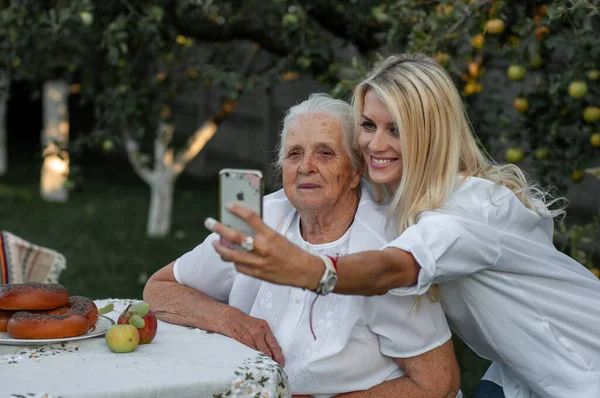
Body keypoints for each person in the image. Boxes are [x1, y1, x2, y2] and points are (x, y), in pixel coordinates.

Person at [207, 54, 600, 398]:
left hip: (584, 373)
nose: (375, 145)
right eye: (368, 125)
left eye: (396, 129)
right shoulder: (400, 194)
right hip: (517, 370)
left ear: (430, 133)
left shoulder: (467, 209)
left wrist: (310, 270)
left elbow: (390, 268)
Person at [144, 93, 460, 398]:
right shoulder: (259, 220)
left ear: (354, 172)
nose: (305, 166)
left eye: (325, 153)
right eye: (294, 153)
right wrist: (228, 318)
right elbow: (160, 287)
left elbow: (439, 384)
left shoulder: (385, 251)